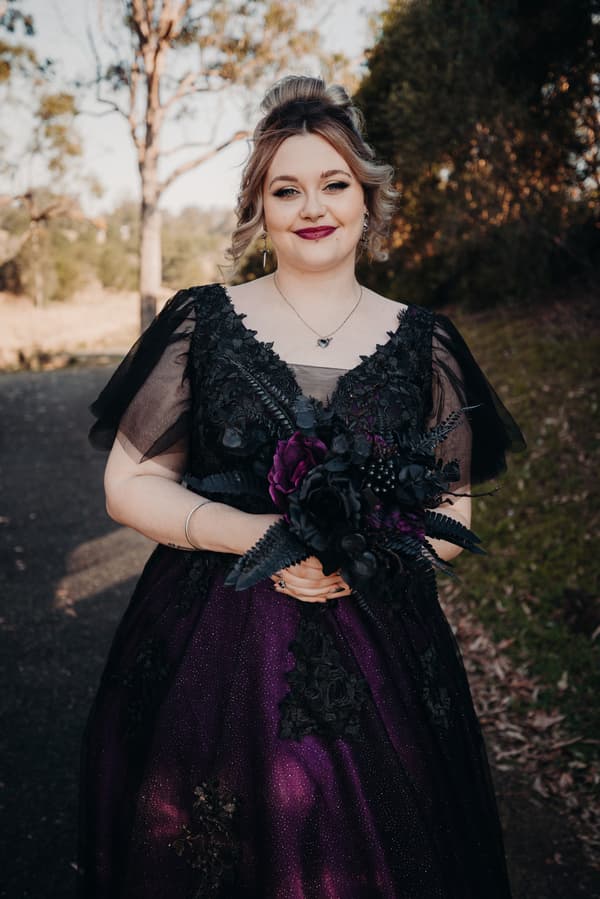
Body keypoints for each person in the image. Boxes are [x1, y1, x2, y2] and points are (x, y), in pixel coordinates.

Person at [79, 75, 526, 898]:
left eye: (334, 184)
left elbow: (452, 508)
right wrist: (259, 535)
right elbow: (130, 484)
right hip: (208, 639)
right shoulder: (201, 324)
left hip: (383, 645)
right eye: (286, 189)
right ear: (260, 207)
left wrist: (365, 554)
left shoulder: (427, 343)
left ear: (367, 199)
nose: (312, 206)